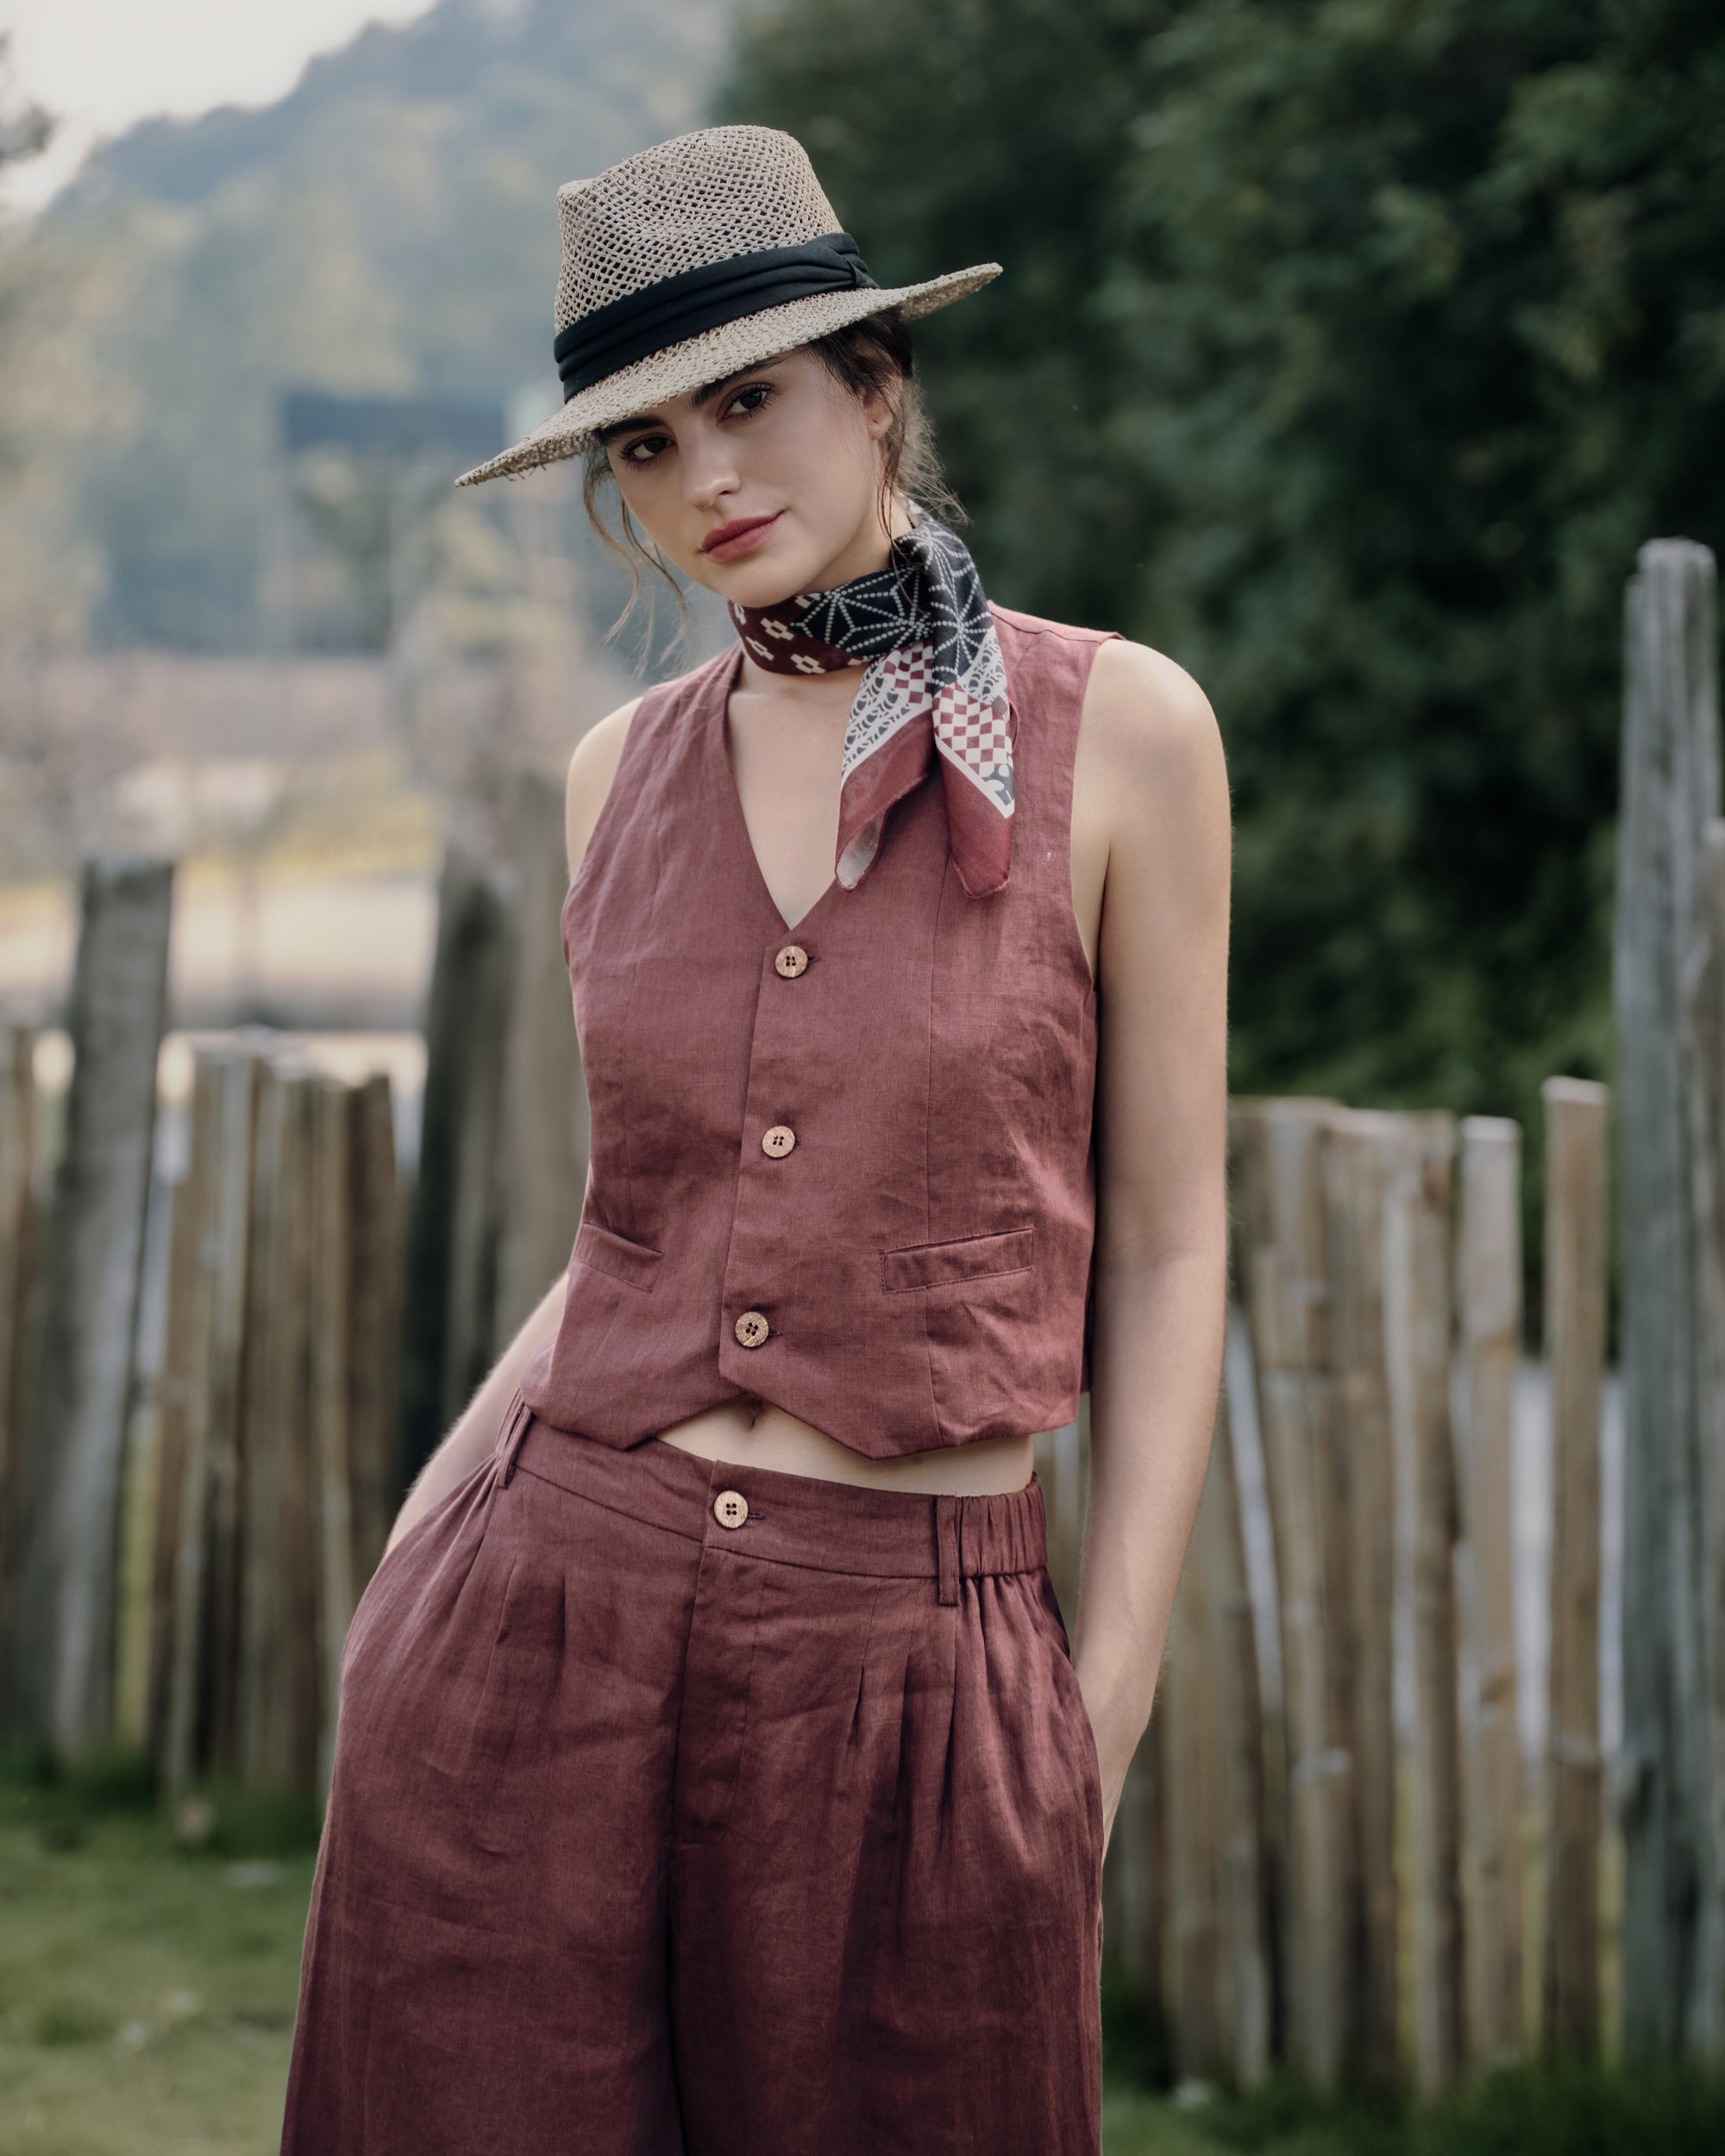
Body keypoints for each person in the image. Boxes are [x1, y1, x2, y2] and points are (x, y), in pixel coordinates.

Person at [279, 122, 1230, 2156]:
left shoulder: (1124, 732)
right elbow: (638, 1231)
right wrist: (401, 1579)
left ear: (875, 383)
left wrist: (1102, 1703)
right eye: (642, 442)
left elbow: (1161, 1246)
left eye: (747, 401)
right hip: (546, 1622)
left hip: (912, 1666)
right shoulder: (613, 770)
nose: (702, 476)